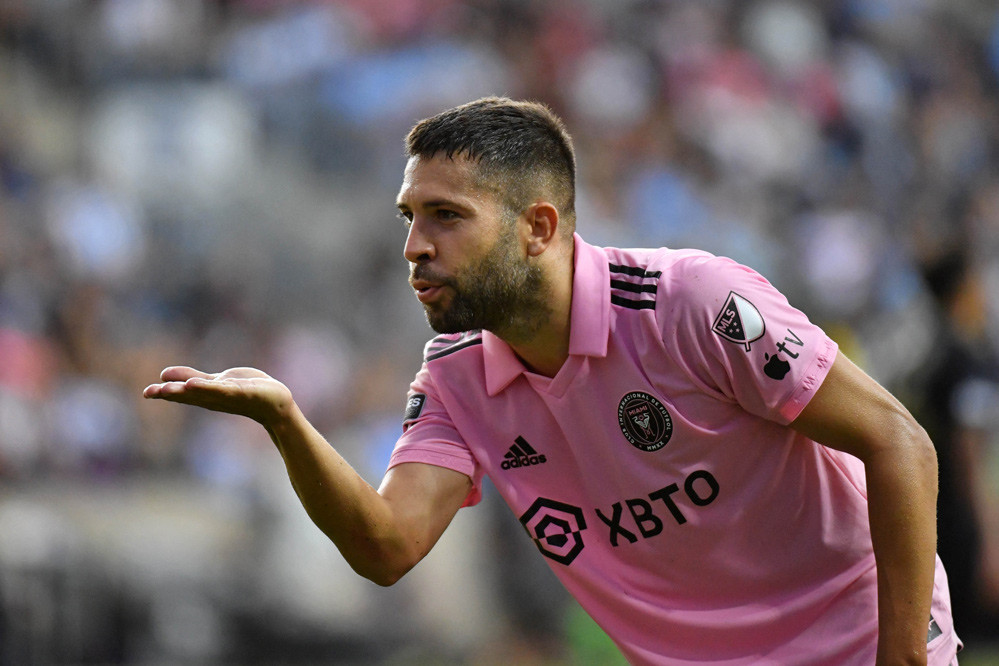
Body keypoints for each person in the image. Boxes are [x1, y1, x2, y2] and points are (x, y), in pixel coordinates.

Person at [144, 97, 961, 665]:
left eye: (446, 216)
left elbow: (899, 443)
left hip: (859, 642)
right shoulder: (457, 378)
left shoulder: (692, 302)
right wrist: (286, 421)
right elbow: (387, 546)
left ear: (537, 227)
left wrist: (900, 660)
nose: (414, 246)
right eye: (409, 217)